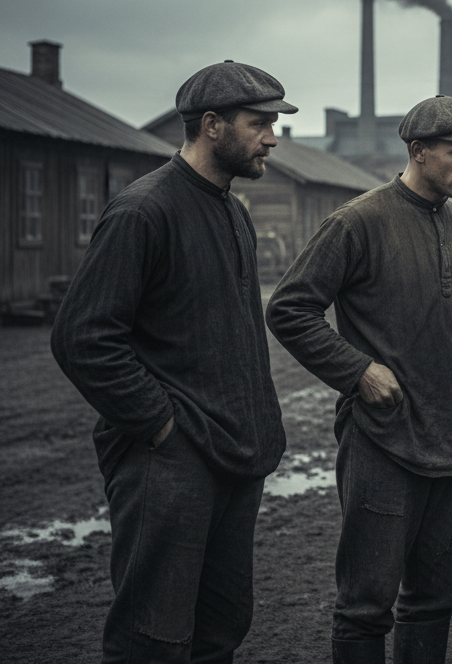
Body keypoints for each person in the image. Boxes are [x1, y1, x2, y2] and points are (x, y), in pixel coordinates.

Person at [50, 60, 296, 662]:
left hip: (237, 454)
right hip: (171, 461)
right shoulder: (144, 211)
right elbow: (83, 337)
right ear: (211, 125)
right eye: (259, 122)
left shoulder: (234, 210)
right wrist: (161, 426)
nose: (272, 137)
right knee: (152, 636)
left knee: (221, 627)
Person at [265, 96, 452, 664]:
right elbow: (291, 309)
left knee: (438, 595)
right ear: (418, 151)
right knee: (367, 603)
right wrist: (357, 370)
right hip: (384, 439)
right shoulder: (357, 221)